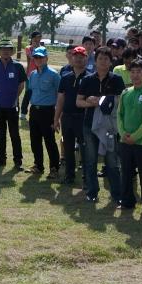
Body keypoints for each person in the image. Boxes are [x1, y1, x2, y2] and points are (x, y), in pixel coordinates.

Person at [76, 48, 124, 203]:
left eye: (106, 59)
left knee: (111, 162)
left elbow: (120, 101)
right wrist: (90, 102)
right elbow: (78, 101)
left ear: (111, 62)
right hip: (89, 125)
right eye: (100, 58)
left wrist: (102, 101)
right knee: (90, 161)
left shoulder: (116, 79)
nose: (103, 61)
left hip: (110, 126)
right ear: (95, 61)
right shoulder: (88, 80)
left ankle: (117, 195)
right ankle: (92, 192)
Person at [116, 60, 142, 212]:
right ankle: (127, 201)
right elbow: (119, 115)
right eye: (132, 72)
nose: (135, 75)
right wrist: (122, 133)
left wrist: (135, 136)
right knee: (126, 173)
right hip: (125, 141)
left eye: (139, 72)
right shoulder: (126, 92)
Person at [0, 40, 26, 169]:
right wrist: (0, 95)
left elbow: (21, 84)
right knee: (0, 133)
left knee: (14, 134)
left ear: (11, 52)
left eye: (8, 49)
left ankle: (18, 161)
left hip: (12, 105)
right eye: (3, 49)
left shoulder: (18, 66)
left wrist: (14, 96)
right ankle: (1, 159)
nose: (6, 51)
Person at [54, 46, 89, 186]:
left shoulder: (91, 77)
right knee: (68, 148)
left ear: (86, 58)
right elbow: (60, 99)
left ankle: (87, 177)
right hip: (67, 117)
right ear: (71, 58)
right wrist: (56, 118)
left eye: (82, 56)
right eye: (76, 56)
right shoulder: (65, 77)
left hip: (83, 118)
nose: (78, 58)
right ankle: (69, 176)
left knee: (85, 149)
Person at [24, 46, 61, 175]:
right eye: (36, 57)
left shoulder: (54, 75)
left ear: (46, 58)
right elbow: (32, 93)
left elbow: (60, 95)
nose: (38, 60)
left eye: (41, 57)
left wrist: (57, 116)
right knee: (35, 140)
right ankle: (38, 166)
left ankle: (54, 167)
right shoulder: (32, 75)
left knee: (49, 140)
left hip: (48, 111)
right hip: (34, 111)